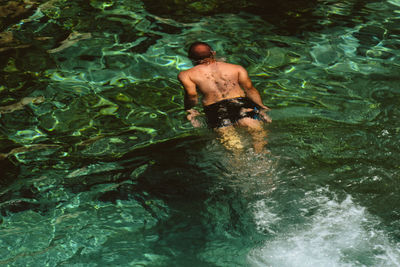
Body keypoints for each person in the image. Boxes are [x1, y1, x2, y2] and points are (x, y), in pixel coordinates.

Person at [178, 41, 271, 153]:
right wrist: (261, 107)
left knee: (234, 147)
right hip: (241, 104)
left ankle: (238, 165)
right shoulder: (236, 68)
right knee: (258, 136)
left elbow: (192, 95)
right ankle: (261, 156)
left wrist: (190, 111)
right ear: (213, 53)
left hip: (215, 110)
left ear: (191, 58)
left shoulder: (186, 74)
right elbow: (249, 89)